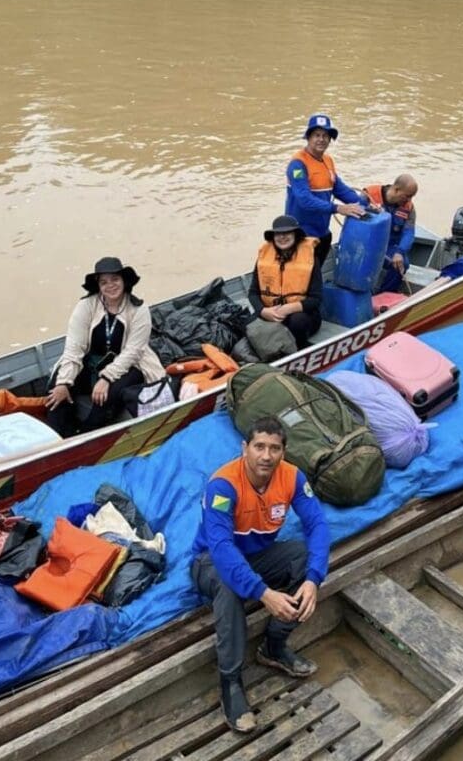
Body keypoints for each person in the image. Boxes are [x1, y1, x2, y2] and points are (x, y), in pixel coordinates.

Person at [191, 417, 329, 733]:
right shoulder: (223, 486)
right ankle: (230, 681)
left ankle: (274, 646)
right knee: (229, 584)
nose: (266, 456)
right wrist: (262, 592)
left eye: (274, 448)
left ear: (283, 452)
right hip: (210, 561)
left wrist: (313, 579)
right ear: (245, 448)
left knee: (302, 557)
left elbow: (317, 524)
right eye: (259, 447)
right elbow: (223, 548)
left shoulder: (291, 478)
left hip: (256, 557)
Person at [45, 257, 165, 436]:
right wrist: (64, 382)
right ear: (98, 286)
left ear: (124, 281)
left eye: (115, 279)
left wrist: (107, 378)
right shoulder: (86, 305)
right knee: (58, 388)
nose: (111, 285)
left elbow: (133, 353)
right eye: (104, 282)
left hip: (129, 366)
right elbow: (74, 348)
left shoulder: (139, 310)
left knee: (107, 396)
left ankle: (86, 436)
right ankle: (58, 437)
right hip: (91, 361)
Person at [285, 113, 366, 264]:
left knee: (314, 275)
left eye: (325, 135)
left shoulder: (327, 160)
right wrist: (338, 208)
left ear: (330, 139)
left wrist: (366, 204)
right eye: (316, 135)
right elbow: (304, 200)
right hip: (301, 234)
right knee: (301, 278)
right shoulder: (298, 164)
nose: (321, 139)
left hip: (321, 232)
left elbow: (340, 189)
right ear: (308, 137)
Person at [248, 215, 323, 349]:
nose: (282, 237)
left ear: (295, 235)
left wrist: (288, 309)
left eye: (287, 232)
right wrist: (263, 311)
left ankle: (298, 351)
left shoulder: (310, 259)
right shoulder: (264, 259)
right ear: (273, 237)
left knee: (298, 322)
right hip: (271, 312)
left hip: (301, 315)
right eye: (278, 234)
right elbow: (253, 293)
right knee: (247, 322)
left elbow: (316, 299)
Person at [363, 174, 418, 293]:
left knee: (402, 264)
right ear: (397, 189)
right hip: (365, 243)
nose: (409, 200)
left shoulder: (408, 207)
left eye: (412, 197)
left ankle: (385, 295)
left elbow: (409, 232)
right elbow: (353, 218)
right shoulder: (369, 195)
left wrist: (400, 252)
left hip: (388, 246)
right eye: (407, 196)